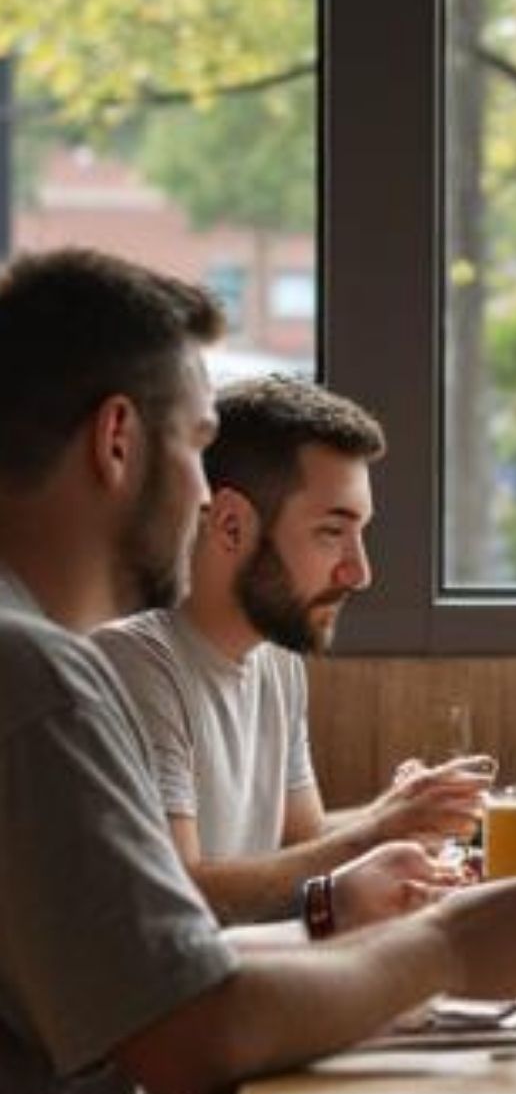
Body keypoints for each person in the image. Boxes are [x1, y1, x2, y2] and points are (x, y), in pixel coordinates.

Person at [0, 246, 516, 1094]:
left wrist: (236, 1027)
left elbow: (161, 998)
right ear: (116, 440)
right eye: (194, 445)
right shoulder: (37, 681)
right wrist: (443, 944)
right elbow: (197, 1025)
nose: (200, 496)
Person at [95, 376, 485, 931]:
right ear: (231, 525)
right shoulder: (134, 664)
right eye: (331, 532)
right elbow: (182, 893)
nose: (360, 572)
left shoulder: (276, 656)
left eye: (360, 534)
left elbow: (300, 845)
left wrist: (400, 813)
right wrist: (375, 831)